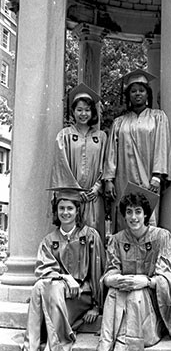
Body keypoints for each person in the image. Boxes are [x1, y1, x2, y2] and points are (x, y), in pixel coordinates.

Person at [10, 189, 104, 351]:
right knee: (41, 286)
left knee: (50, 286)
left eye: (70, 208)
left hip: (81, 295)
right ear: (56, 211)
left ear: (78, 211)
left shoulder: (90, 236)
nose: (65, 212)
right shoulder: (49, 240)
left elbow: (98, 272)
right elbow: (43, 270)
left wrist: (96, 305)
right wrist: (65, 278)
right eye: (61, 208)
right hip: (57, 295)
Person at [90, 192, 171, 351]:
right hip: (122, 301)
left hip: (149, 315)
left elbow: (168, 278)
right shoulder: (116, 240)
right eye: (129, 212)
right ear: (124, 215)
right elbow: (110, 271)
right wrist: (112, 280)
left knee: (135, 292)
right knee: (116, 291)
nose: (133, 217)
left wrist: (146, 282)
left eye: (138, 211)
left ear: (146, 214)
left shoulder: (162, 237)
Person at [103, 69, 171, 232]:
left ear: (148, 93)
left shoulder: (158, 117)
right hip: (123, 179)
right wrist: (108, 180)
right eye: (133, 91)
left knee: (148, 219)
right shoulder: (119, 122)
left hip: (148, 179)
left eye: (141, 90)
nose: (137, 94)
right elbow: (111, 153)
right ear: (128, 95)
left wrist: (157, 176)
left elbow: (161, 146)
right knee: (124, 218)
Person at [50, 84, 107, 238]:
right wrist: (74, 191)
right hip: (71, 197)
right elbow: (61, 166)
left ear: (93, 112)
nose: (83, 113)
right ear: (73, 112)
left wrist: (97, 187)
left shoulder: (101, 137)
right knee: (72, 235)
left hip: (93, 196)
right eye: (79, 109)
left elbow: (106, 164)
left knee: (94, 234)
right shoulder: (64, 136)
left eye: (87, 110)